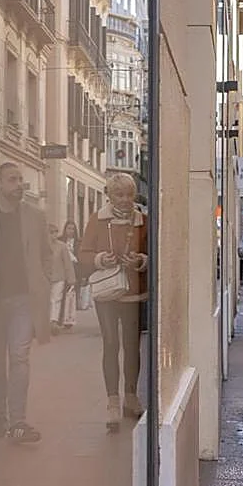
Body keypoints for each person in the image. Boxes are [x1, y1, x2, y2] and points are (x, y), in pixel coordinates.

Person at [0, 162, 53, 444]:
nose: (19, 184)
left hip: (24, 299)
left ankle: (18, 421)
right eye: (12, 179)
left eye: (20, 179)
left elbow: (46, 253)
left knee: (20, 358)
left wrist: (44, 279)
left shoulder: (35, 216)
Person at [79, 172, 149, 432]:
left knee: (132, 346)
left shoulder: (143, 221)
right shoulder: (97, 220)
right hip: (107, 292)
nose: (125, 200)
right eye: (119, 195)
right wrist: (100, 260)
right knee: (110, 344)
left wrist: (141, 260)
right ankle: (112, 401)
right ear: (108, 195)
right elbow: (83, 253)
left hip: (133, 291)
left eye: (129, 194)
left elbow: (154, 251)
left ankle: (131, 396)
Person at [49, 222, 78, 334]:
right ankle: (47, 321)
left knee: (56, 299)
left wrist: (71, 279)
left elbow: (67, 263)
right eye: (51, 233)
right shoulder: (43, 246)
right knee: (47, 300)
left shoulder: (62, 246)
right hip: (45, 278)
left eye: (55, 232)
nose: (53, 235)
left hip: (59, 277)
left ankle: (53, 321)